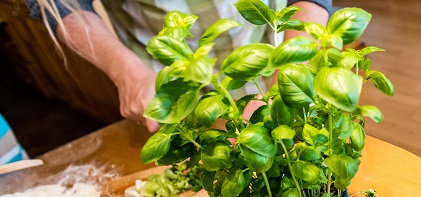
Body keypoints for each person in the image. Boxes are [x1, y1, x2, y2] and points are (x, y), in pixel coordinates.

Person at [26, 0, 332, 133]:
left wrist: (288, 78)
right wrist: (125, 71)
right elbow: (61, 3)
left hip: (278, 45)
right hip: (170, 87)